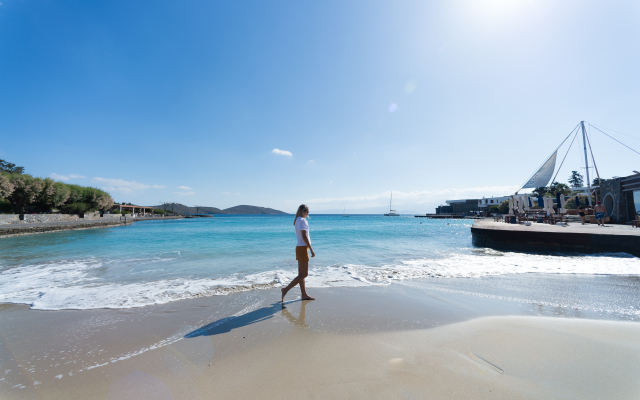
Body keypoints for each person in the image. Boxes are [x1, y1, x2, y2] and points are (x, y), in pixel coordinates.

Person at [281, 204, 315, 302]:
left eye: (308, 211)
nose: (308, 213)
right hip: (303, 248)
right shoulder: (302, 220)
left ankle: (304, 294)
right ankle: (285, 290)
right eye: (307, 211)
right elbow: (304, 236)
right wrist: (311, 249)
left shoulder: (297, 220)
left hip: (299, 247)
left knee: (301, 274)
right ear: (303, 211)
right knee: (304, 274)